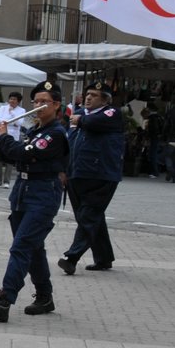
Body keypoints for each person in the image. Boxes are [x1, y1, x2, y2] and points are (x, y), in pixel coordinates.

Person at [0, 82, 67, 321]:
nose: (37, 106)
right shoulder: (36, 130)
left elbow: (23, 153)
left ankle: (5, 298)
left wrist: (4, 135)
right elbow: (11, 156)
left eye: (43, 101)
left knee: (21, 246)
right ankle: (45, 297)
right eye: (35, 101)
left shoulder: (55, 133)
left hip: (43, 193)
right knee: (33, 247)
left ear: (56, 105)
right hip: (23, 191)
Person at [58, 83, 123, 274]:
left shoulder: (111, 113)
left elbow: (92, 123)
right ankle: (103, 258)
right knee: (90, 218)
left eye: (94, 95)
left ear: (104, 99)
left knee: (89, 216)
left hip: (101, 175)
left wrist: (79, 119)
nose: (88, 98)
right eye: (87, 94)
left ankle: (72, 257)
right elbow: (69, 141)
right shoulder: (80, 114)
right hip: (77, 173)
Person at [0, 92, 27, 186]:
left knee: (10, 158)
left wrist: (11, 113)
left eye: (14, 99)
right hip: (0, 134)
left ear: (18, 101)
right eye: (10, 98)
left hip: (13, 136)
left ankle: (7, 181)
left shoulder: (21, 110)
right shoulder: (3, 108)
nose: (11, 101)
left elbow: (19, 123)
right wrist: (9, 121)